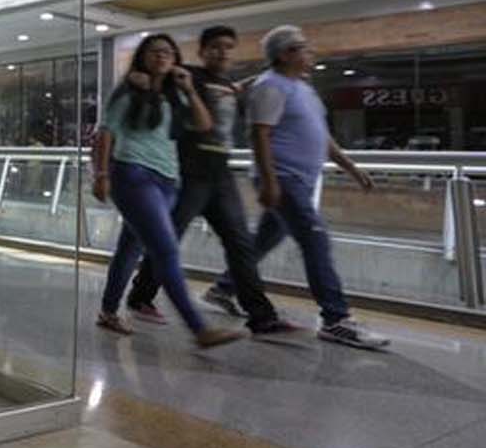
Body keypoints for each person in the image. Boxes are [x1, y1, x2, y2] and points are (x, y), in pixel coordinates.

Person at [123, 26, 301, 336]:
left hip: (221, 175)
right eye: (216, 47)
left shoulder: (226, 86)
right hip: (189, 175)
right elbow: (155, 74)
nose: (223, 52)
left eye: (229, 48)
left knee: (240, 243)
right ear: (202, 51)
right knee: (168, 240)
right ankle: (140, 297)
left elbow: (232, 99)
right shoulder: (186, 74)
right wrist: (137, 78)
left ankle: (261, 315)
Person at [237, 25, 389, 348]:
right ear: (284, 54)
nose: (310, 52)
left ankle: (225, 286)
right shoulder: (269, 87)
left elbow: (322, 137)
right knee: (316, 240)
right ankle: (336, 319)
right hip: (283, 178)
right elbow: (259, 134)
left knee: (264, 239)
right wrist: (268, 181)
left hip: (301, 180)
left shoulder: (303, 89)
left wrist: (352, 168)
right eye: (302, 47)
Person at [92, 33, 242, 348]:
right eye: (154, 52)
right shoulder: (127, 91)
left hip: (168, 180)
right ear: (143, 57)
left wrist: (188, 87)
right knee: (166, 250)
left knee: (129, 250)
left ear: (175, 60)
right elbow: (105, 133)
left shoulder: (176, 94)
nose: (161, 56)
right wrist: (101, 174)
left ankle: (107, 312)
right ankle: (199, 328)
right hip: (132, 175)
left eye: (168, 53)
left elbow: (203, 125)